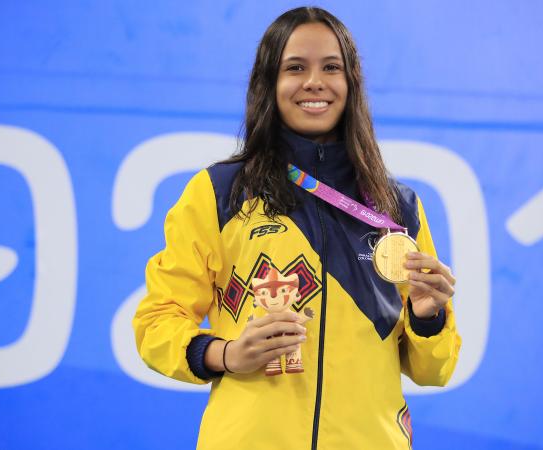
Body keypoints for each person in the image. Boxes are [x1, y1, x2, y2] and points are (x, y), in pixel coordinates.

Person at [133, 6, 461, 450]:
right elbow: (157, 321)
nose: (314, 82)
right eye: (295, 68)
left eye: (331, 67)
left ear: (352, 84)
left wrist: (427, 318)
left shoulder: (395, 208)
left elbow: (434, 370)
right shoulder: (220, 192)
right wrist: (225, 354)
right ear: (269, 83)